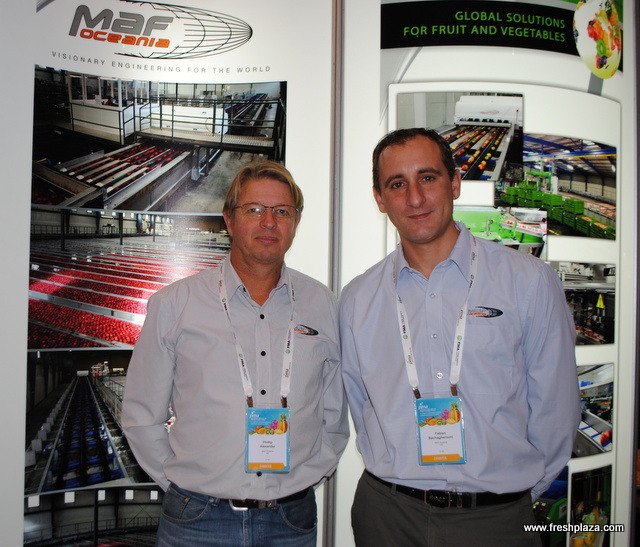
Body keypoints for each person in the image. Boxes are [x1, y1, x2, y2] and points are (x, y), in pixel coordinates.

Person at [339, 128, 580, 546]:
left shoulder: (528, 281)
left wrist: (508, 498)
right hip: (389, 517)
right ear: (380, 198)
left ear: (454, 182)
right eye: (397, 184)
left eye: (428, 178)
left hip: (497, 521)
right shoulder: (358, 298)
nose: (415, 198)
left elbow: (556, 409)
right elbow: (361, 405)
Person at [122, 160, 349, 546]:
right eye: (254, 209)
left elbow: (334, 414)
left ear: (295, 222)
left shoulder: (322, 303)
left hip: (291, 521)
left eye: (282, 211)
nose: (269, 222)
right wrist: (183, 484)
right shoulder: (175, 304)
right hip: (197, 522)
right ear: (229, 219)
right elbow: (142, 415)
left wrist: (309, 473)